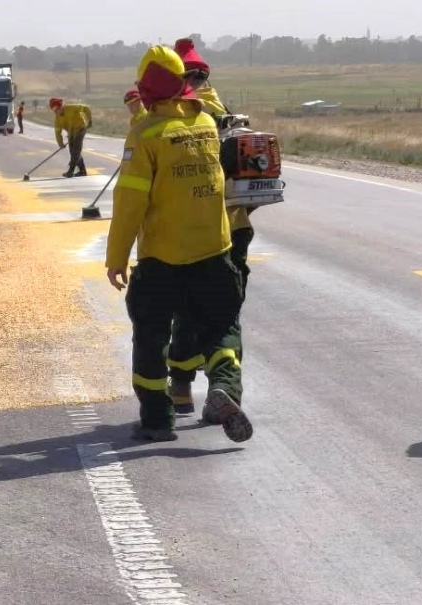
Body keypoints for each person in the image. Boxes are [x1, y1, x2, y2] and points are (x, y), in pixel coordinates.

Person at [105, 44, 252, 444]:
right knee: (222, 326)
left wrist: (116, 257)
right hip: (215, 251)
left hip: (163, 258)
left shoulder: (145, 134)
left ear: (146, 90)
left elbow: (130, 202)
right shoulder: (205, 122)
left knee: (151, 335)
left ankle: (157, 420)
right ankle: (224, 386)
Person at [165, 37, 256, 416]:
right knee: (225, 313)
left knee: (185, 307)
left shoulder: (174, 115)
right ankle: (224, 385)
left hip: (189, 230)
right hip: (233, 228)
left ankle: (181, 389)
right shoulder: (229, 114)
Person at [49, 97, 92, 178]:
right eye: (54, 110)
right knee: (73, 151)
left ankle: (70, 171)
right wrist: (60, 143)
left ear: (61, 106)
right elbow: (58, 133)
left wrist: (89, 120)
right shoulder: (57, 119)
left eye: (57, 109)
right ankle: (82, 171)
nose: (56, 112)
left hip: (80, 129)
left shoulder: (72, 108)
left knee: (76, 151)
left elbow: (86, 108)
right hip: (71, 133)